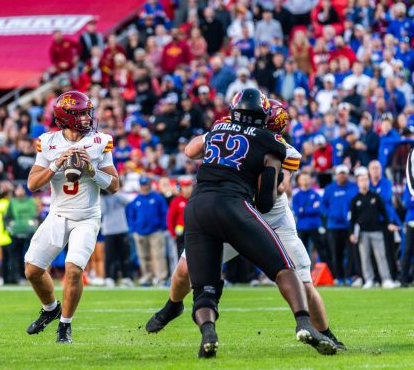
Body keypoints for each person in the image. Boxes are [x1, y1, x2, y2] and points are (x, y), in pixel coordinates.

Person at [145, 100, 343, 352]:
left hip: (271, 215)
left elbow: (278, 189)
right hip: (235, 210)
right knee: (185, 268)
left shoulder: (283, 149)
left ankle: (325, 334)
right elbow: (192, 149)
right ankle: (173, 305)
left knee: (302, 280)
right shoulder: (229, 130)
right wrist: (214, 133)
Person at [24, 91, 119, 343]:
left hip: (87, 217)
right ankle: (50, 309)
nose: (88, 118)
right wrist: (56, 164)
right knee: (32, 271)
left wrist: (92, 170)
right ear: (66, 117)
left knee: (73, 270)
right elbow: (33, 183)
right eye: (81, 114)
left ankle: (65, 325)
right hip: (58, 214)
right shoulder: (48, 142)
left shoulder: (100, 141)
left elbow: (114, 185)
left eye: (88, 112)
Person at [349, 168, 400, 289]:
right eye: (362, 180)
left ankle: (386, 279)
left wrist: (388, 224)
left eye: (366, 180)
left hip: (377, 231)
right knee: (365, 258)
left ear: (368, 181)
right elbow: (352, 219)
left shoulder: (375, 196)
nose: (364, 182)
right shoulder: (355, 200)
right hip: (362, 232)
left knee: (381, 256)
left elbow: (384, 212)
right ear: (358, 182)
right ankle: (369, 280)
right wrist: (352, 233)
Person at [126, 176, 168, 286]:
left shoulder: (158, 198)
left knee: (158, 255)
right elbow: (131, 216)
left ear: (150, 184)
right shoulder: (136, 200)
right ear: (140, 186)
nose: (145, 187)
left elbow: (164, 213)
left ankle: (161, 278)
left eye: (146, 184)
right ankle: (147, 277)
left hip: (155, 231)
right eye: (143, 185)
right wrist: (133, 229)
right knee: (143, 257)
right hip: (140, 232)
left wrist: (163, 227)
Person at [322, 165, 359, 285]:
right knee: (336, 253)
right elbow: (323, 205)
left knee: (350, 253)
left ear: (347, 174)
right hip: (334, 226)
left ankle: (349, 276)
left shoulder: (353, 187)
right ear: (336, 175)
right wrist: (330, 214)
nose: (342, 175)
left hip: (349, 226)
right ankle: (338, 277)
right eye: (340, 173)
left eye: (344, 173)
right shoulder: (329, 188)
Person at [3, 183, 38, 284]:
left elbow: (35, 215)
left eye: (20, 189)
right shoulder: (12, 202)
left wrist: (33, 227)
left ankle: (28, 276)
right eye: (17, 189)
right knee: (15, 256)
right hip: (15, 233)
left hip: (29, 232)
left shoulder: (31, 201)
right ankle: (16, 277)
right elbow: (6, 217)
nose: (18, 191)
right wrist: (10, 228)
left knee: (29, 256)